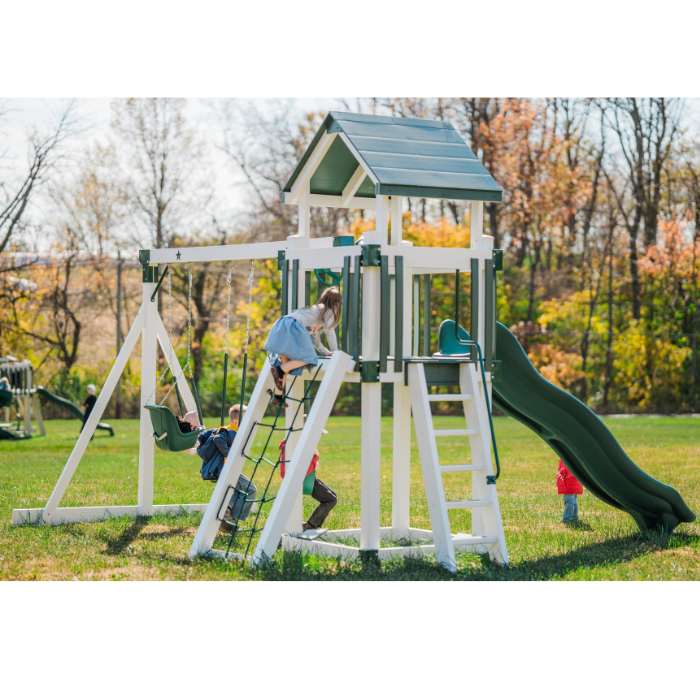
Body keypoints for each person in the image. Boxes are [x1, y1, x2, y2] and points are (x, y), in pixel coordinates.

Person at [264, 286, 343, 408]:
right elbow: (330, 333)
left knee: (286, 365)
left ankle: (278, 396)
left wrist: (326, 353)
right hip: (291, 326)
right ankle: (278, 370)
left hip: (281, 325)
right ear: (336, 303)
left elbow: (315, 339)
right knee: (309, 358)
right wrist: (336, 352)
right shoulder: (328, 311)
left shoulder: (314, 311)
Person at [191, 404, 258, 533]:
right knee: (251, 490)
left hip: (225, 468)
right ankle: (230, 519)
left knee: (240, 491)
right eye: (246, 417)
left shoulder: (232, 429)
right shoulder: (233, 430)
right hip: (226, 468)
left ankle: (227, 513)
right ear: (235, 421)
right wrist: (230, 454)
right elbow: (218, 439)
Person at [278, 423, 337, 532]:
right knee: (330, 499)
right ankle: (309, 526)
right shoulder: (295, 446)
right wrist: (315, 460)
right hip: (302, 480)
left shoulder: (293, 442)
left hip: (306, 478)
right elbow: (300, 471)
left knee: (332, 496)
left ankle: (310, 525)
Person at [557, 458, 583, 524]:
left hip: (570, 483)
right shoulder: (570, 454)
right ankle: (574, 518)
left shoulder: (568, 455)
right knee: (573, 501)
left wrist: (562, 472)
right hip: (571, 483)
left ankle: (566, 519)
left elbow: (571, 469)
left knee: (569, 501)